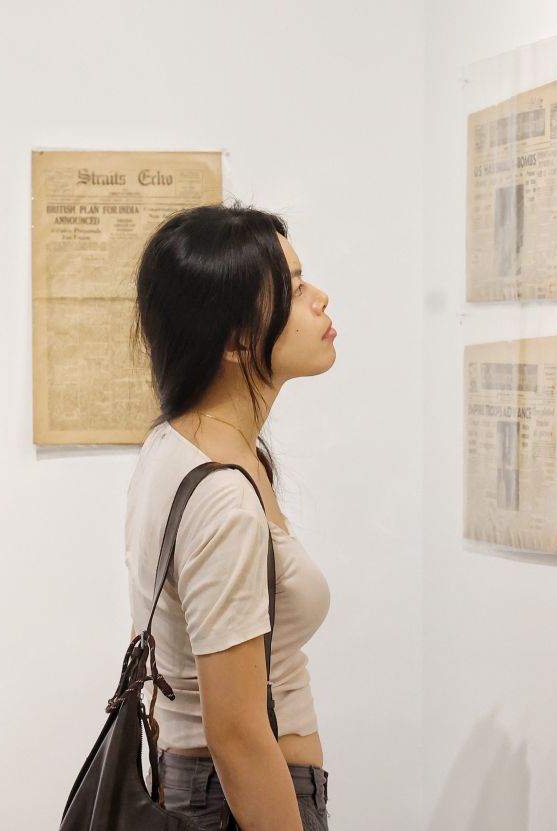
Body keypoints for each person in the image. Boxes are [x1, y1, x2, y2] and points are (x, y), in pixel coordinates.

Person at [124, 204, 336, 830]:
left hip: (201, 789)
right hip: (239, 802)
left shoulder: (180, 444)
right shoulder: (220, 493)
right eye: (296, 290)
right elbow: (239, 734)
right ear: (239, 338)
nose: (320, 299)